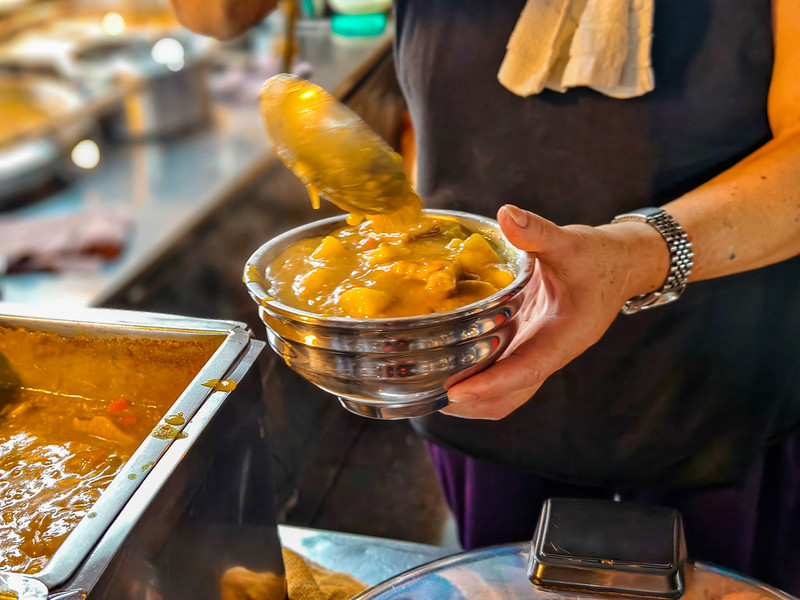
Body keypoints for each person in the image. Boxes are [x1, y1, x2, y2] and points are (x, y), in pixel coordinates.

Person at [170, 0, 800, 592]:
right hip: (471, 342)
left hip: (713, 361)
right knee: (498, 586)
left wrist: (637, 253)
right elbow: (214, 14)